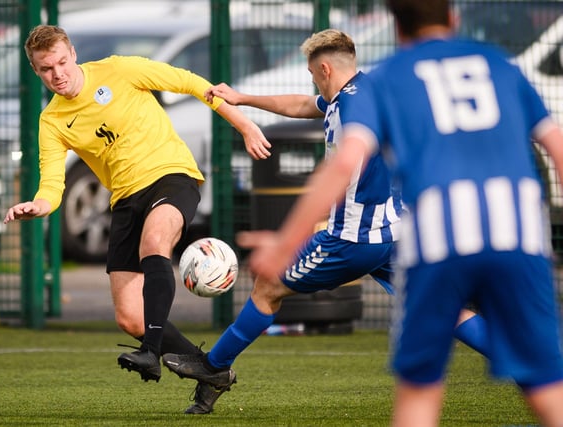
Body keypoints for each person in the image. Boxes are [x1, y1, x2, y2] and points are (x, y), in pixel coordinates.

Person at [220, 2, 563, 426]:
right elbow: (556, 146)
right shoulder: (498, 65)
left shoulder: (393, 80)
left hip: (433, 235)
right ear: (454, 18)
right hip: (517, 233)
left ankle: (214, 365)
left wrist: (285, 240)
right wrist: (245, 97)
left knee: (418, 390)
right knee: (547, 384)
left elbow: (344, 164)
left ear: (396, 25)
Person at [162, 29, 491, 410]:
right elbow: (304, 105)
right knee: (450, 309)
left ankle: (214, 368)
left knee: (268, 285)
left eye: (312, 73)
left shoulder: (351, 111)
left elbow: (345, 173)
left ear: (324, 67)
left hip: (353, 239)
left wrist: (302, 227)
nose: (312, 80)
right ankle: (532, 367)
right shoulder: (365, 92)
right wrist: (243, 97)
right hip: (395, 232)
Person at [3, 24, 271, 414]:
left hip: (172, 175)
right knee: (130, 317)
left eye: (61, 62)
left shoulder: (120, 70)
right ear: (36, 71)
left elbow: (194, 84)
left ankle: (151, 352)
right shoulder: (52, 121)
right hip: (126, 201)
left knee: (154, 243)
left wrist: (245, 125)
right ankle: (212, 372)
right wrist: (39, 205)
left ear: (73, 53)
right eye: (46, 69)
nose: (57, 74)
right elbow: (52, 185)